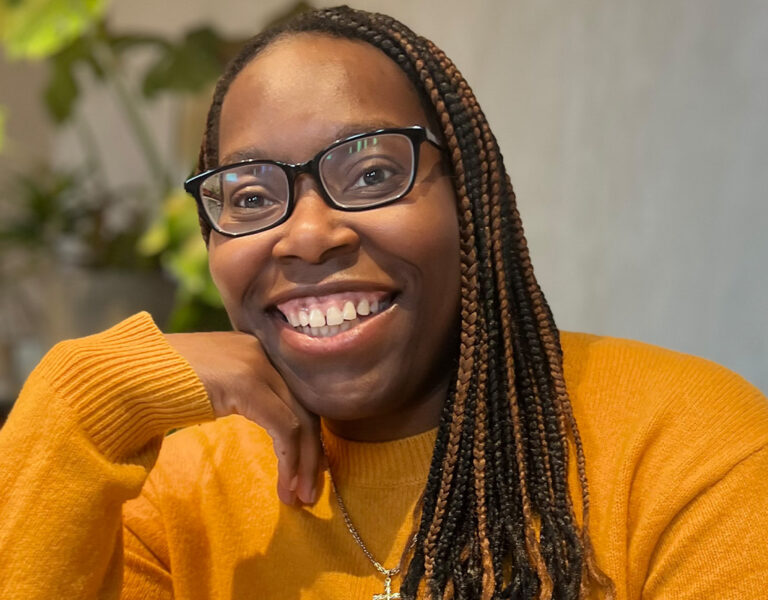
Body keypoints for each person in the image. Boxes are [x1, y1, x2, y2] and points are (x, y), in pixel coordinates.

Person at [1, 6, 766, 600]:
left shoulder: (689, 445)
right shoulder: (177, 487)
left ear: (471, 198)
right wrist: (76, 402)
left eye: (371, 175)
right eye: (252, 195)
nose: (306, 236)